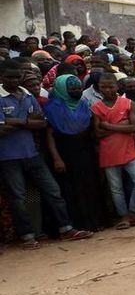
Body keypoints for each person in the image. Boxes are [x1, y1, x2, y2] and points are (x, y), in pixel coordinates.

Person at [0, 60, 93, 248]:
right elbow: (1, 130)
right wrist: (27, 122)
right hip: (8, 156)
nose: (14, 80)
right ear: (2, 77)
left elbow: (41, 123)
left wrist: (15, 122)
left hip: (32, 153)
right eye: (9, 77)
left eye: (17, 77)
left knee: (52, 191)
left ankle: (66, 228)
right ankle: (27, 236)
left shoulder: (27, 95)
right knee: (18, 197)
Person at [44, 75, 106, 231]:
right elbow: (50, 135)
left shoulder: (84, 104)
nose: (77, 91)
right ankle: (78, 224)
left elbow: (91, 129)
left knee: (90, 186)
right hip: (65, 153)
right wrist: (57, 158)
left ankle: (95, 222)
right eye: (73, 89)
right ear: (62, 90)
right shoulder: (53, 108)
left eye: (79, 88)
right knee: (71, 189)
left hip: (86, 151)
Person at [91, 72, 135, 228]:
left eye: (111, 86)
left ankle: (132, 212)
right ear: (99, 88)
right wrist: (123, 125)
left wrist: (108, 125)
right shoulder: (96, 107)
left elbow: (134, 127)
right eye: (103, 87)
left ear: (117, 86)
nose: (107, 90)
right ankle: (124, 215)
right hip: (109, 152)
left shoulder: (128, 103)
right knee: (115, 187)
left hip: (129, 150)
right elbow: (97, 133)